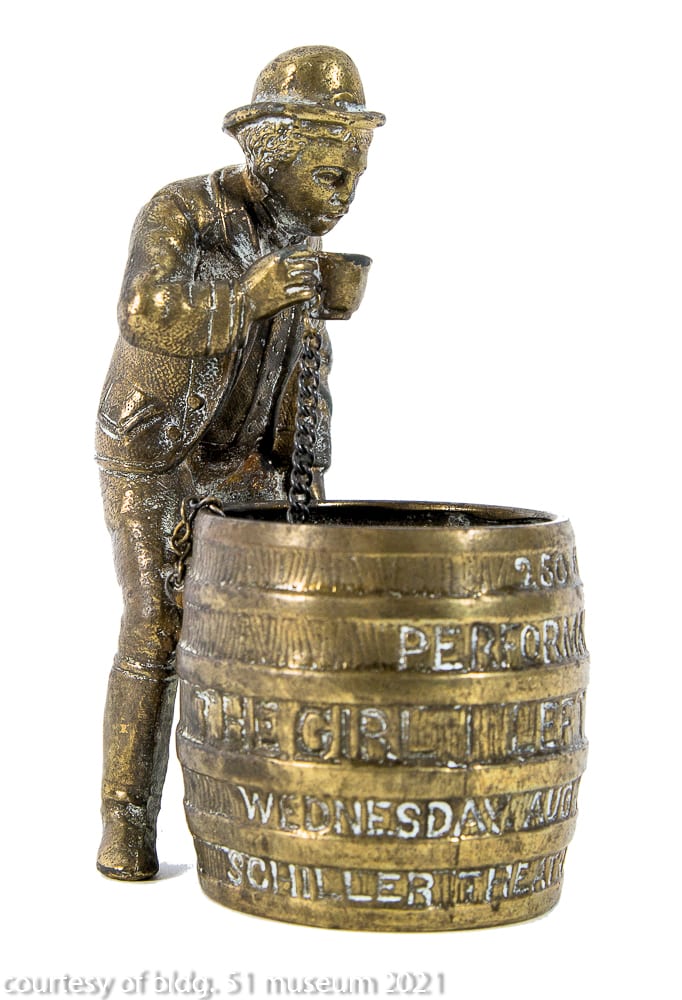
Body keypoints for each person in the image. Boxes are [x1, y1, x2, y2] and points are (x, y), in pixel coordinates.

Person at [94, 45, 384, 879]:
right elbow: (146, 309)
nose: (348, 193)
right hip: (157, 446)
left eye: (358, 174)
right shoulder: (183, 212)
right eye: (332, 173)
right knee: (159, 619)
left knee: (278, 621)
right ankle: (126, 822)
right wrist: (250, 294)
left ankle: (263, 814)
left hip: (251, 457)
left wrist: (308, 483)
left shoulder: (302, 241)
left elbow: (306, 378)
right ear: (272, 152)